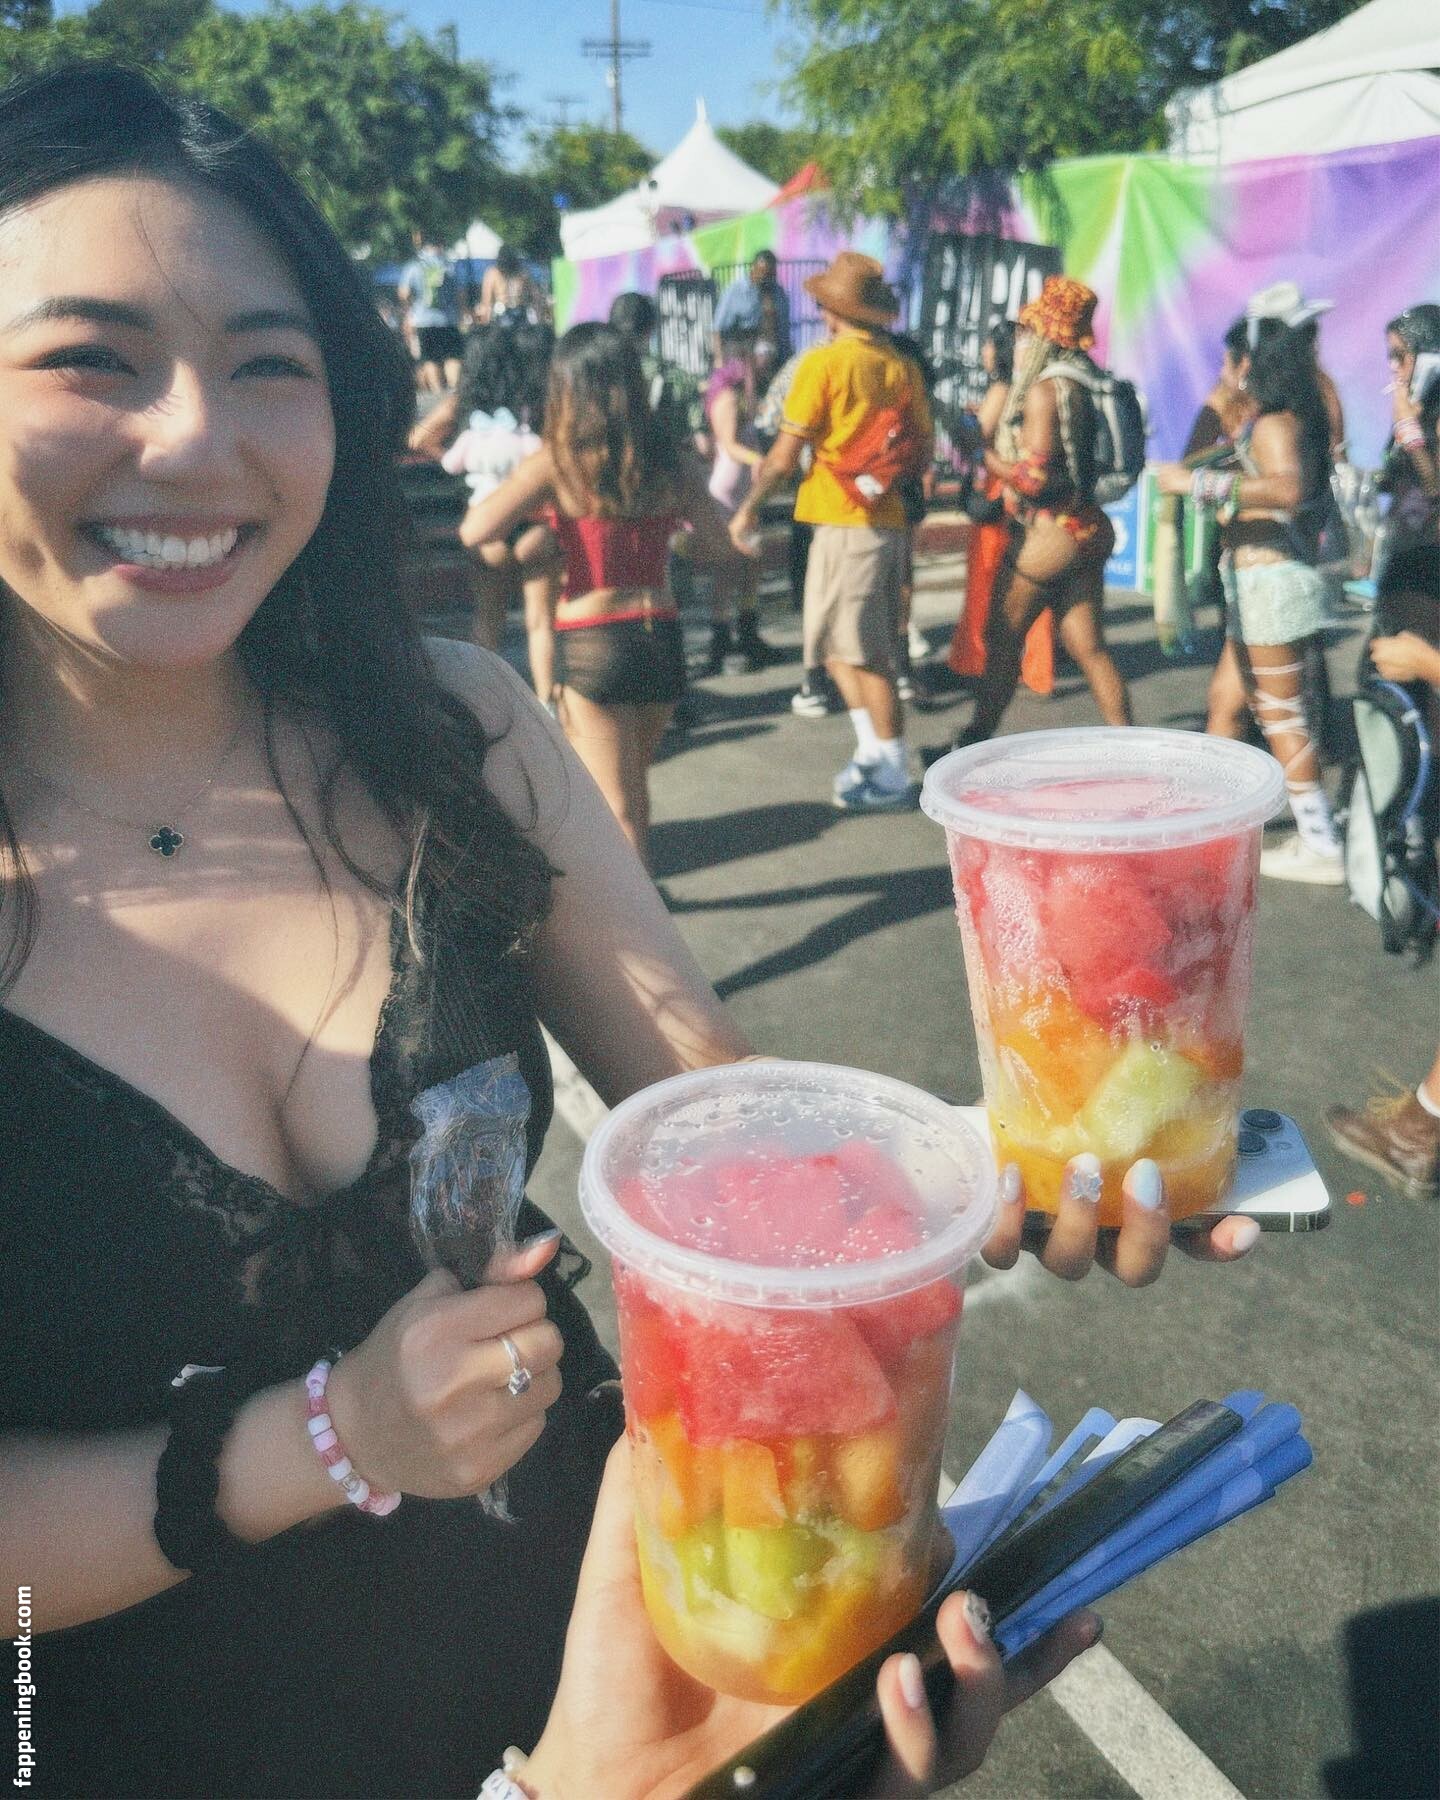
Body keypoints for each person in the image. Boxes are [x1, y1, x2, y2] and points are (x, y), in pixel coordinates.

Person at [0, 64, 1260, 1800]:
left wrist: (1009, 1163)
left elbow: (722, 1116)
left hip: (636, 1660)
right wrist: (328, 1439)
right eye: (91, 359)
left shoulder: (452, 729)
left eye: (270, 363)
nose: (199, 439)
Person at [463, 324, 725, 864]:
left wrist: (547, 530)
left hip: (592, 640)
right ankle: (635, 892)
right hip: (659, 635)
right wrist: (669, 538)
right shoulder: (671, 460)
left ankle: (636, 912)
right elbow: (719, 548)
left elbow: (475, 529)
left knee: (615, 805)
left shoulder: (558, 462)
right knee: (634, 789)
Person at [730, 252, 932, 813]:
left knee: (864, 653)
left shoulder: (823, 365)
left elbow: (781, 457)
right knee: (835, 647)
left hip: (848, 527)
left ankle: (892, 767)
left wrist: (747, 510)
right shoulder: (901, 367)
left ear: (834, 311)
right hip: (877, 522)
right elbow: (924, 450)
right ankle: (874, 752)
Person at [1156, 317, 1345, 883]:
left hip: (1271, 587)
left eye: (1229, 360)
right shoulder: (1282, 418)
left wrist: (1198, 484)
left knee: (1281, 715)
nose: (1221, 371)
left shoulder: (1275, 424)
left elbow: (1288, 489)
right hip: (1259, 587)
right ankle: (1211, 825)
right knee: (1226, 700)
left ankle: (1320, 841)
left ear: (1249, 364)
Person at [929, 277, 1129, 759]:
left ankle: (971, 745)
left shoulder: (1047, 390)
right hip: (1089, 525)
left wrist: (982, 453)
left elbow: (1034, 479)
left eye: (1027, 330)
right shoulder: (1089, 380)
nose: (1021, 340)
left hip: (1052, 532)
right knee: (1088, 646)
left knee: (1002, 637)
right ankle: (1134, 748)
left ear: (1044, 334)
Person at [944, 320, 1055, 699]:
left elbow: (979, 437)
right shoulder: (1033, 388)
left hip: (1000, 492)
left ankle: (974, 660)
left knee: (986, 579)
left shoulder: (1002, 387)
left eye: (989, 344)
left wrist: (963, 424)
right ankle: (1037, 666)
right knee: (1030, 583)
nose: (984, 351)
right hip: (1024, 496)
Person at [701, 327, 779, 675]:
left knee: (751, 563)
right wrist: (756, 459)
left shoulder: (743, 398)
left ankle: (748, 633)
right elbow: (729, 443)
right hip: (728, 490)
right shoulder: (728, 398)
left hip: (744, 489)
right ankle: (720, 641)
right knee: (728, 566)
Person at [713, 248, 791, 386]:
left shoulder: (777, 293)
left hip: (766, 345)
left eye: (770, 274)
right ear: (753, 269)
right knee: (749, 366)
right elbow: (717, 328)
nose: (766, 278)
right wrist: (718, 360)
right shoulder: (735, 291)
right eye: (763, 273)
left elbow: (783, 330)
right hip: (738, 344)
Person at [398, 228, 463, 392]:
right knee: (452, 357)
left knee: (430, 359)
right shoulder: (449, 265)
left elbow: (404, 294)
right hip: (448, 320)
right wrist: (461, 313)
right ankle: (454, 392)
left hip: (423, 320)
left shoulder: (415, 266)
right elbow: (460, 294)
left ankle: (437, 393)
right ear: (441, 244)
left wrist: (409, 312)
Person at [478, 243, 546, 329]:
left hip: (520, 312)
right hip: (502, 312)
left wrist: (539, 318)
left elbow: (536, 296)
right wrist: (485, 324)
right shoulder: (493, 274)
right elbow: (486, 302)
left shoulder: (522, 273)